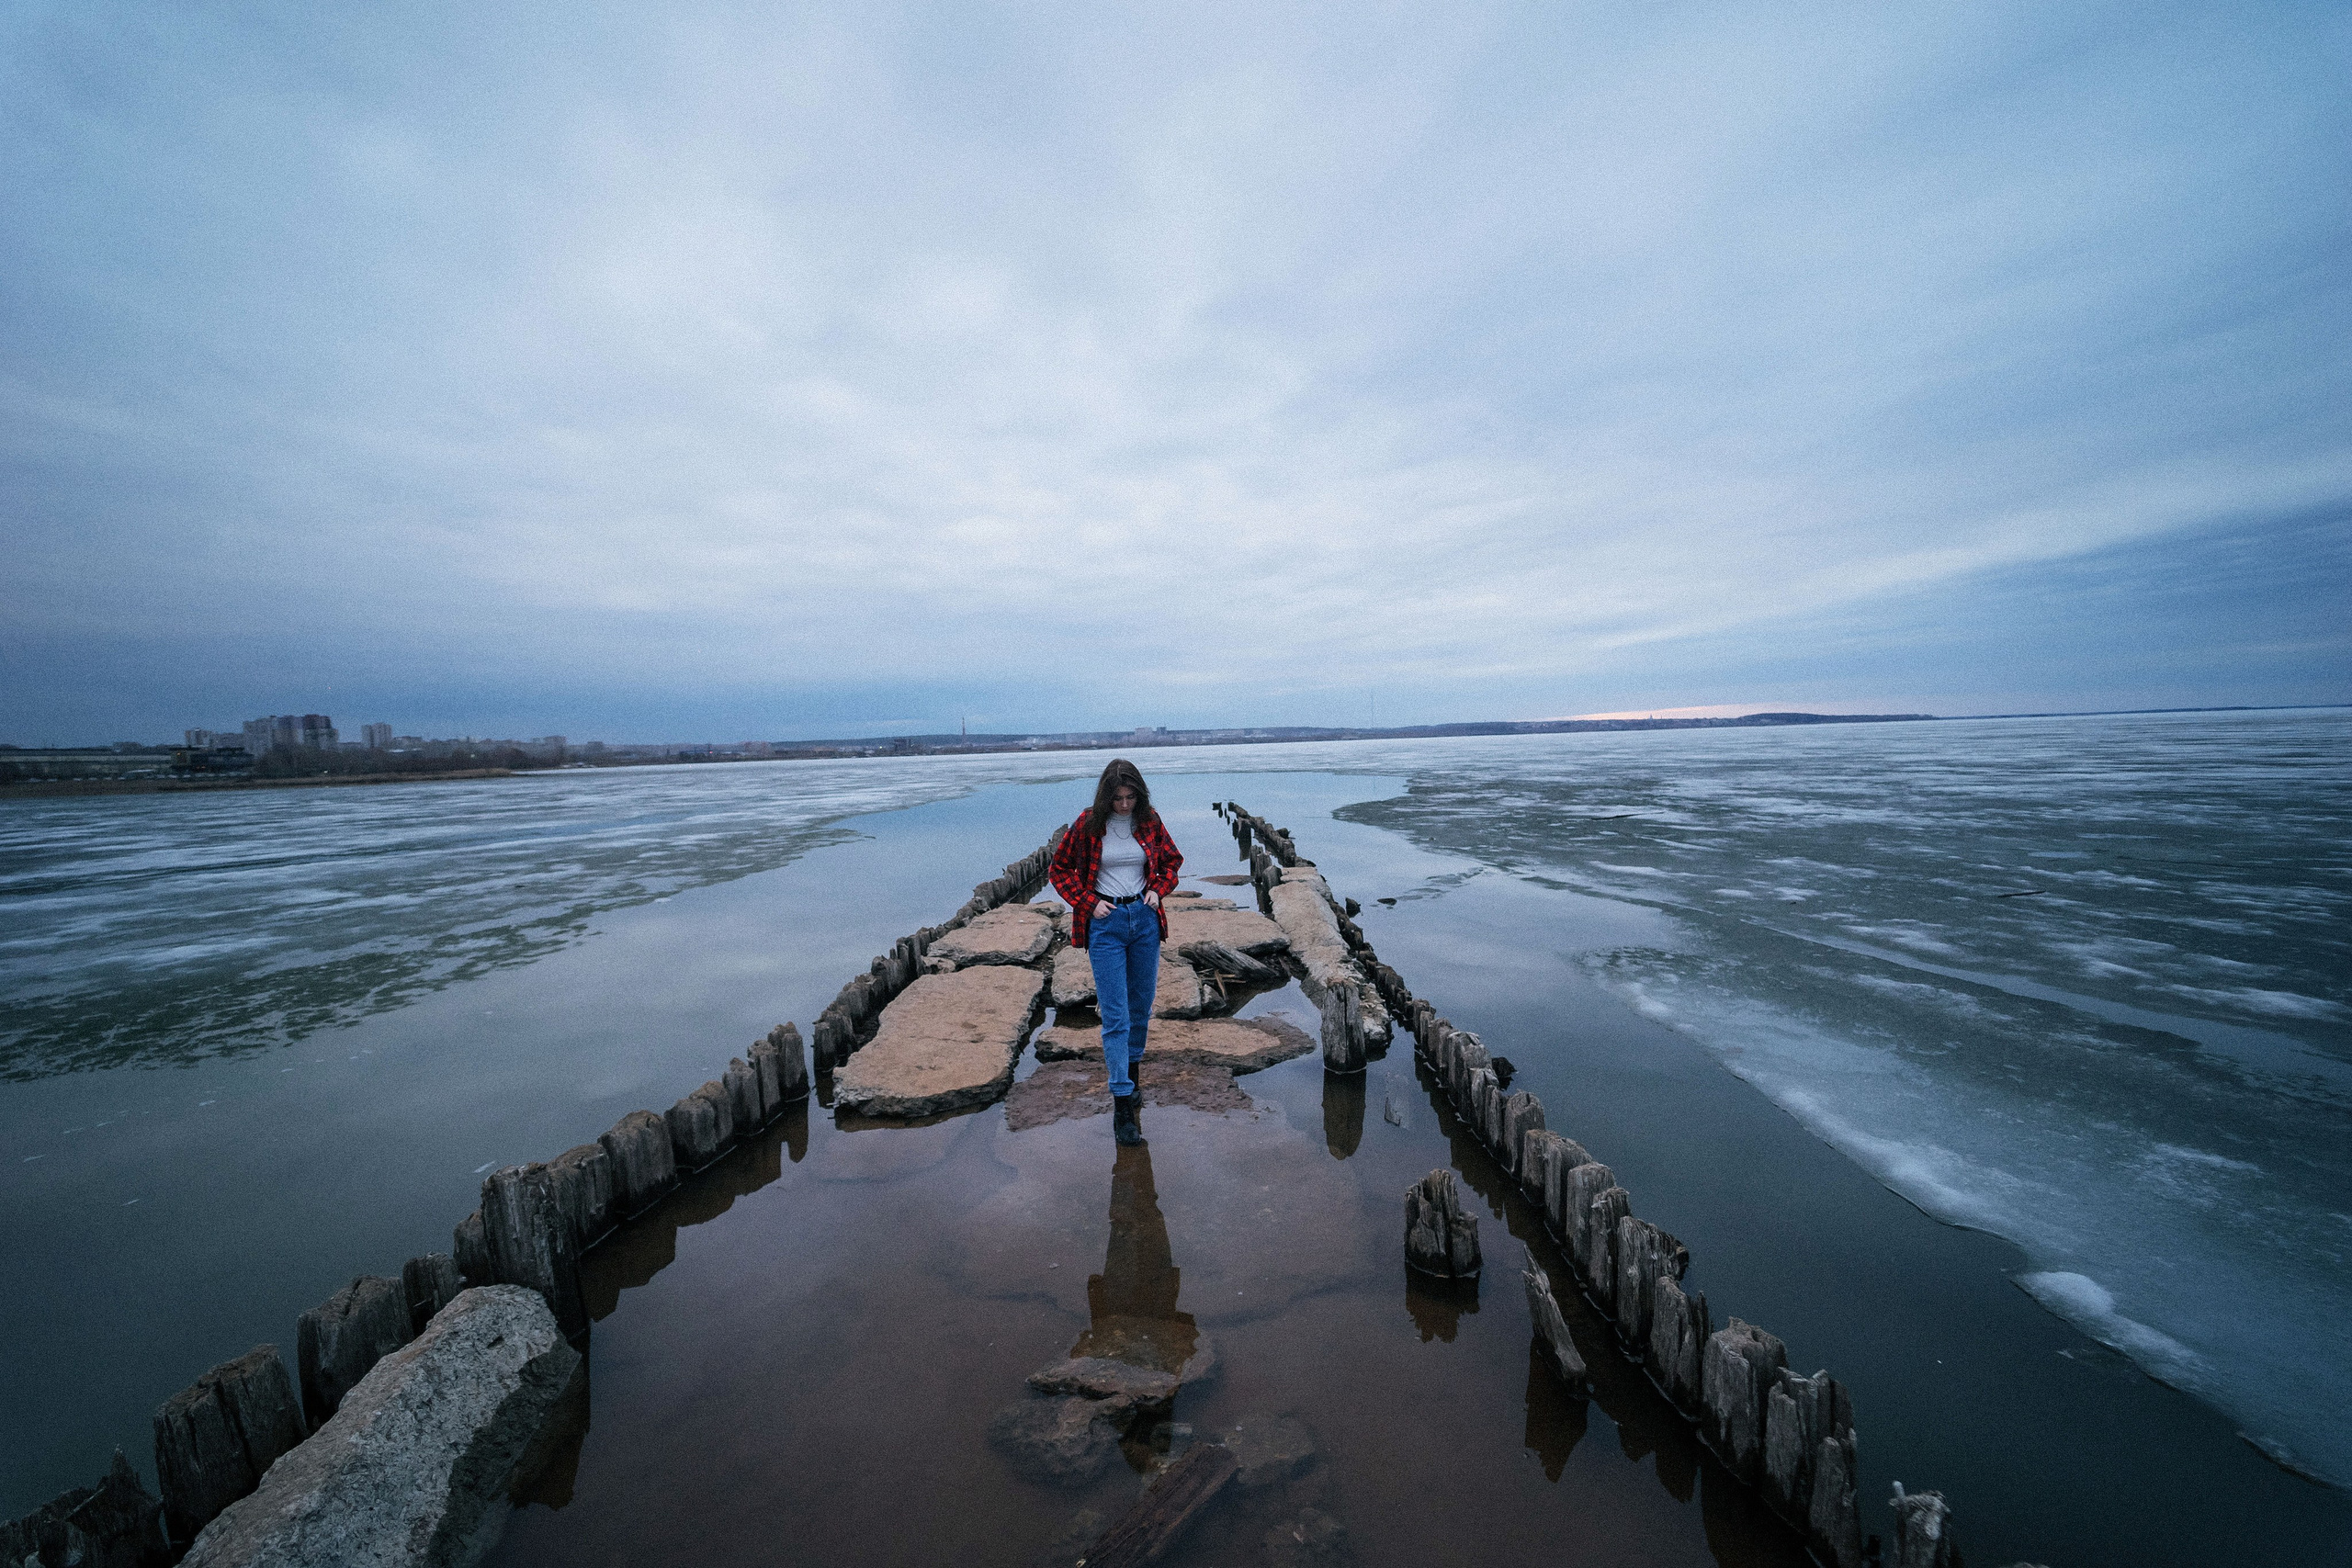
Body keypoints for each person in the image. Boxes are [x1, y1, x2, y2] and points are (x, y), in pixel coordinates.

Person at [1047, 759, 1182, 1145]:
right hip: (1104, 923)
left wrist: (1158, 890)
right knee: (1116, 1015)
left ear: (1139, 795)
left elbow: (1173, 861)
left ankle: (1133, 1076)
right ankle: (1122, 1103)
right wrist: (1088, 902)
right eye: (1118, 798)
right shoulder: (1088, 823)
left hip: (1144, 918)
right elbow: (1059, 870)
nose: (1124, 805)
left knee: (1141, 1006)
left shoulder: (1150, 820)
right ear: (1106, 796)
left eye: (1131, 797)